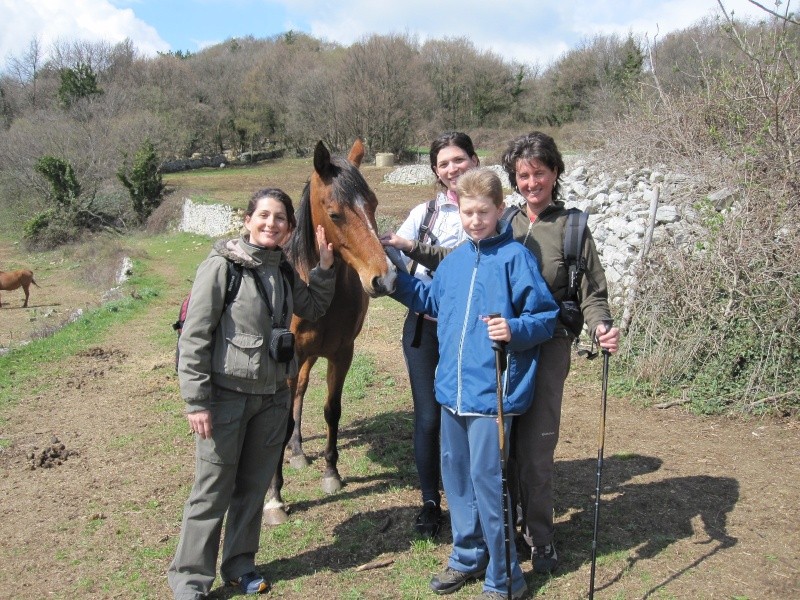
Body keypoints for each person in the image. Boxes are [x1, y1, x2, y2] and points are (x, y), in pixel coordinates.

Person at [391, 131, 621, 574]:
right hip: (490, 355)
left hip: (544, 339)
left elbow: (591, 293)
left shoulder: (570, 227)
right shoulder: (505, 221)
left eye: (539, 173)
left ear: (554, 173)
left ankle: (539, 537)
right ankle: (497, 537)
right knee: (495, 456)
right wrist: (402, 260)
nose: (532, 182)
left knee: (533, 449)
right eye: (523, 175)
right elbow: (457, 262)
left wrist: (600, 326)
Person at [385, 168, 559, 599]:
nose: (475, 220)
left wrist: (514, 329)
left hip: (491, 397)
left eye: (484, 211)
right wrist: (396, 283)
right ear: (458, 211)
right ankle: (467, 554)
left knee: (489, 484)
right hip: (450, 392)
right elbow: (430, 301)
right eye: (468, 212)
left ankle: (506, 577)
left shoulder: (517, 258)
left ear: (500, 210)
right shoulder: (456, 260)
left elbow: (545, 317)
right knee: (458, 479)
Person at [168, 188, 335, 600]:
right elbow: (195, 337)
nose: (271, 224)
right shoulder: (221, 267)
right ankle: (190, 581)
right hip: (225, 399)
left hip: (272, 400)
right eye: (263, 215)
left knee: (252, 488)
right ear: (247, 220)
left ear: (290, 228)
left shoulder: (281, 270)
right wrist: (197, 401)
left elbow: (311, 307)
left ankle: (240, 564)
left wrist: (326, 269)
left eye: (280, 218)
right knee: (211, 491)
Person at [392, 131, 478, 538]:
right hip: (425, 330)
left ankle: (478, 496)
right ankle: (430, 501)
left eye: (458, 160)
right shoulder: (425, 213)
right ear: (435, 171)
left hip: (474, 333)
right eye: (443, 164)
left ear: (474, 161)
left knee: (470, 415)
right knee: (428, 418)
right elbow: (390, 250)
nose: (451, 169)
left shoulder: (494, 210)